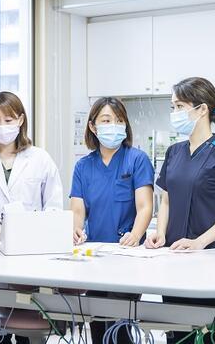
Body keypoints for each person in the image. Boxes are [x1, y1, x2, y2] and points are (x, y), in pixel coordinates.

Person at [144, 77, 215, 344]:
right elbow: (166, 199)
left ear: (201, 109)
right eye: (172, 107)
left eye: (178, 106)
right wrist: (160, 234)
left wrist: (200, 243)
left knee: (209, 333)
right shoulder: (174, 152)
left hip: (212, 259)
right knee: (177, 333)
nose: (174, 113)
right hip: (174, 257)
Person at [0, 91, 63, 344]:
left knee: (29, 328)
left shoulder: (40, 159)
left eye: (8, 120)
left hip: (31, 255)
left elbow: (53, 207)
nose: (2, 127)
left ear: (20, 120)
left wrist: (26, 231)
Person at [70, 96, 154, 344]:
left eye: (119, 121)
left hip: (127, 255)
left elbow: (145, 206)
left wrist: (136, 234)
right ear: (93, 127)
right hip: (95, 254)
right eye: (106, 120)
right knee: (97, 321)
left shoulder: (136, 159)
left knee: (120, 323)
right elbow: (77, 210)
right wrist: (75, 230)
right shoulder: (83, 167)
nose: (113, 126)